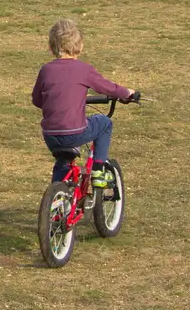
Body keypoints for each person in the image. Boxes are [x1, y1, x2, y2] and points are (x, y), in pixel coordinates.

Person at [31, 19, 138, 186]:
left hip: (50, 135)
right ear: (80, 46)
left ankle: (56, 199)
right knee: (104, 123)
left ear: (51, 48)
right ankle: (98, 171)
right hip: (74, 132)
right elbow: (108, 88)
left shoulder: (46, 70)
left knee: (63, 162)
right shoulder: (84, 69)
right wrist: (127, 93)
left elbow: (37, 100)